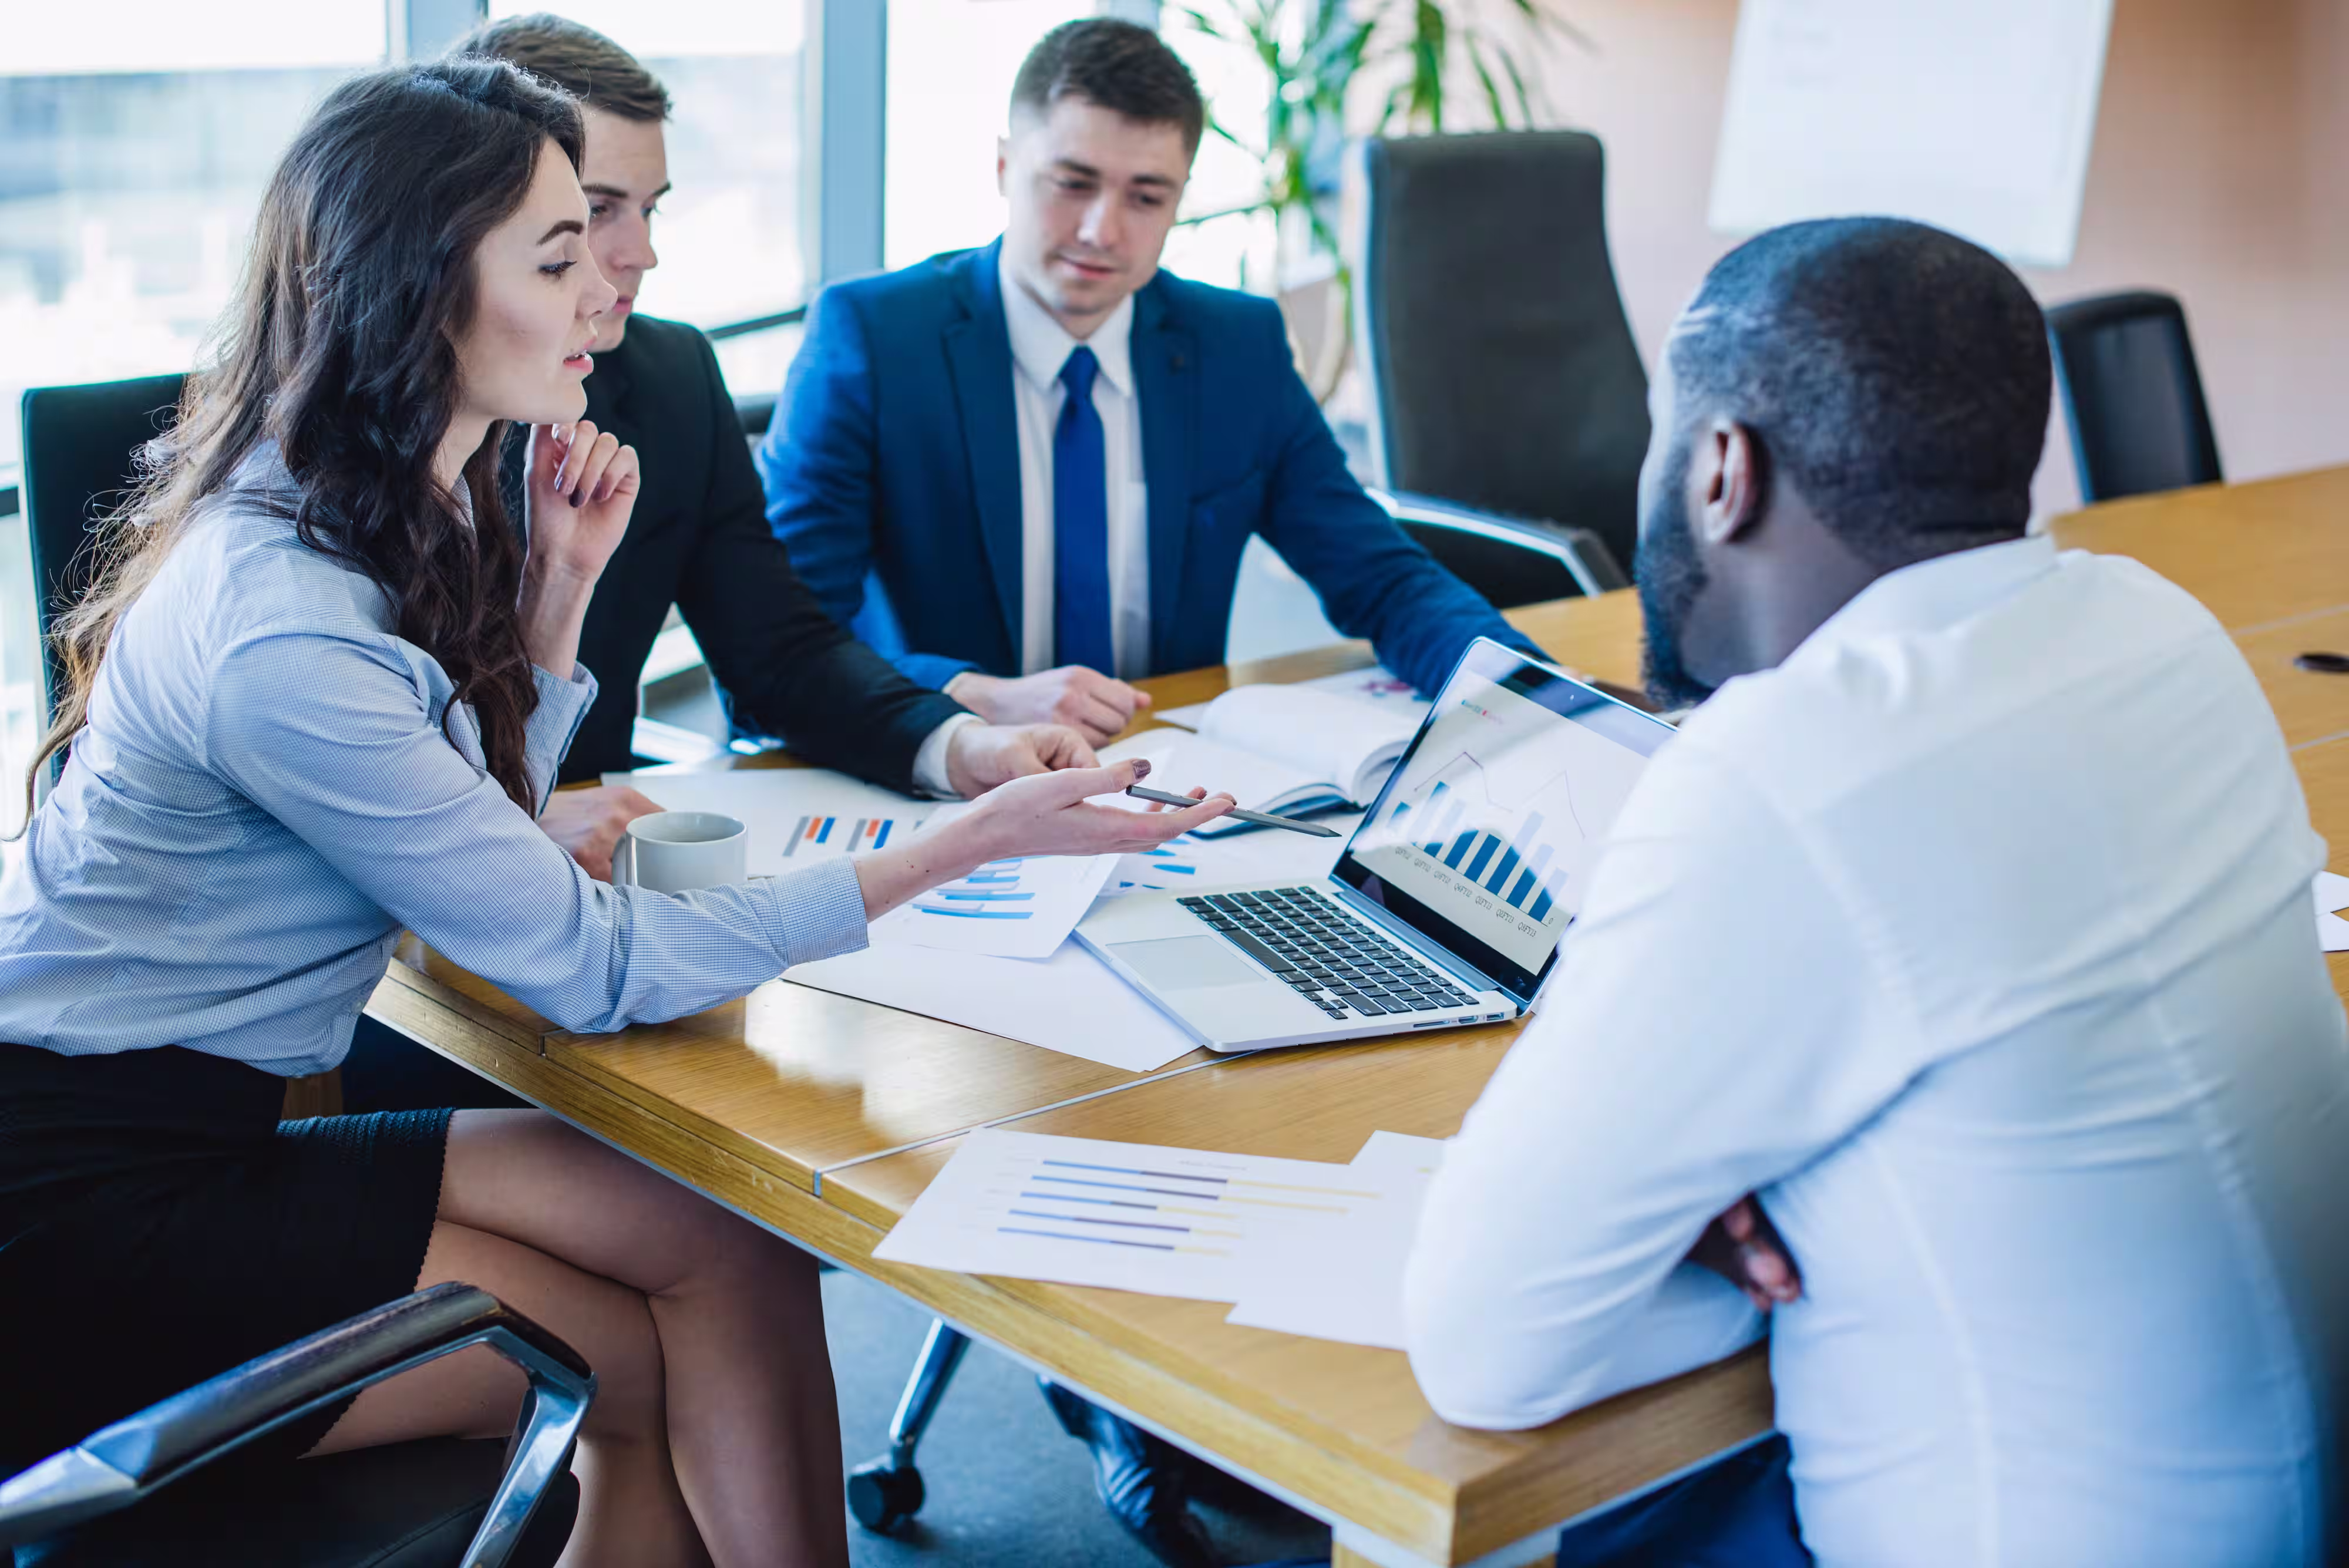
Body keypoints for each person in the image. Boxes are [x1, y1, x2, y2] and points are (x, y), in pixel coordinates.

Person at [0, 60, 1227, 1568]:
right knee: (605, 1362)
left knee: (722, 1240)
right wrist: (960, 848)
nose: (611, 287)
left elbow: (481, 829)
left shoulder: (389, 495)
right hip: (82, 1201)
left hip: (197, 1126)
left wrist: (559, 603)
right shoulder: (287, 632)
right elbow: (581, 967)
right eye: (561, 250)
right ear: (418, 294)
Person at [1399, 218, 2349, 1565]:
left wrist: (1701, 1222)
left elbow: (1483, 1352)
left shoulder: (1780, 768)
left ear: (1720, 469)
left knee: (1583, 1527)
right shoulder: (2155, 624)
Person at [342, 12, 1098, 1118]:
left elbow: (778, 647)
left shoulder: (671, 376)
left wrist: (958, 743)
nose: (639, 252)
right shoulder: (355, 437)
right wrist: (495, 827)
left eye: (649, 210)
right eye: (596, 213)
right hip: (427, 968)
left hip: (620, 919)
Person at [755, 18, 1549, 751]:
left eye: (1146, 196)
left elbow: (1381, 579)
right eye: (1072, 182)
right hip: (940, 776)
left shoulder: (1236, 347)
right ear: (1003, 167)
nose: (1104, 230)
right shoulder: (873, 339)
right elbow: (774, 653)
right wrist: (972, 697)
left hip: (1162, 780)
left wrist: (1538, 705)